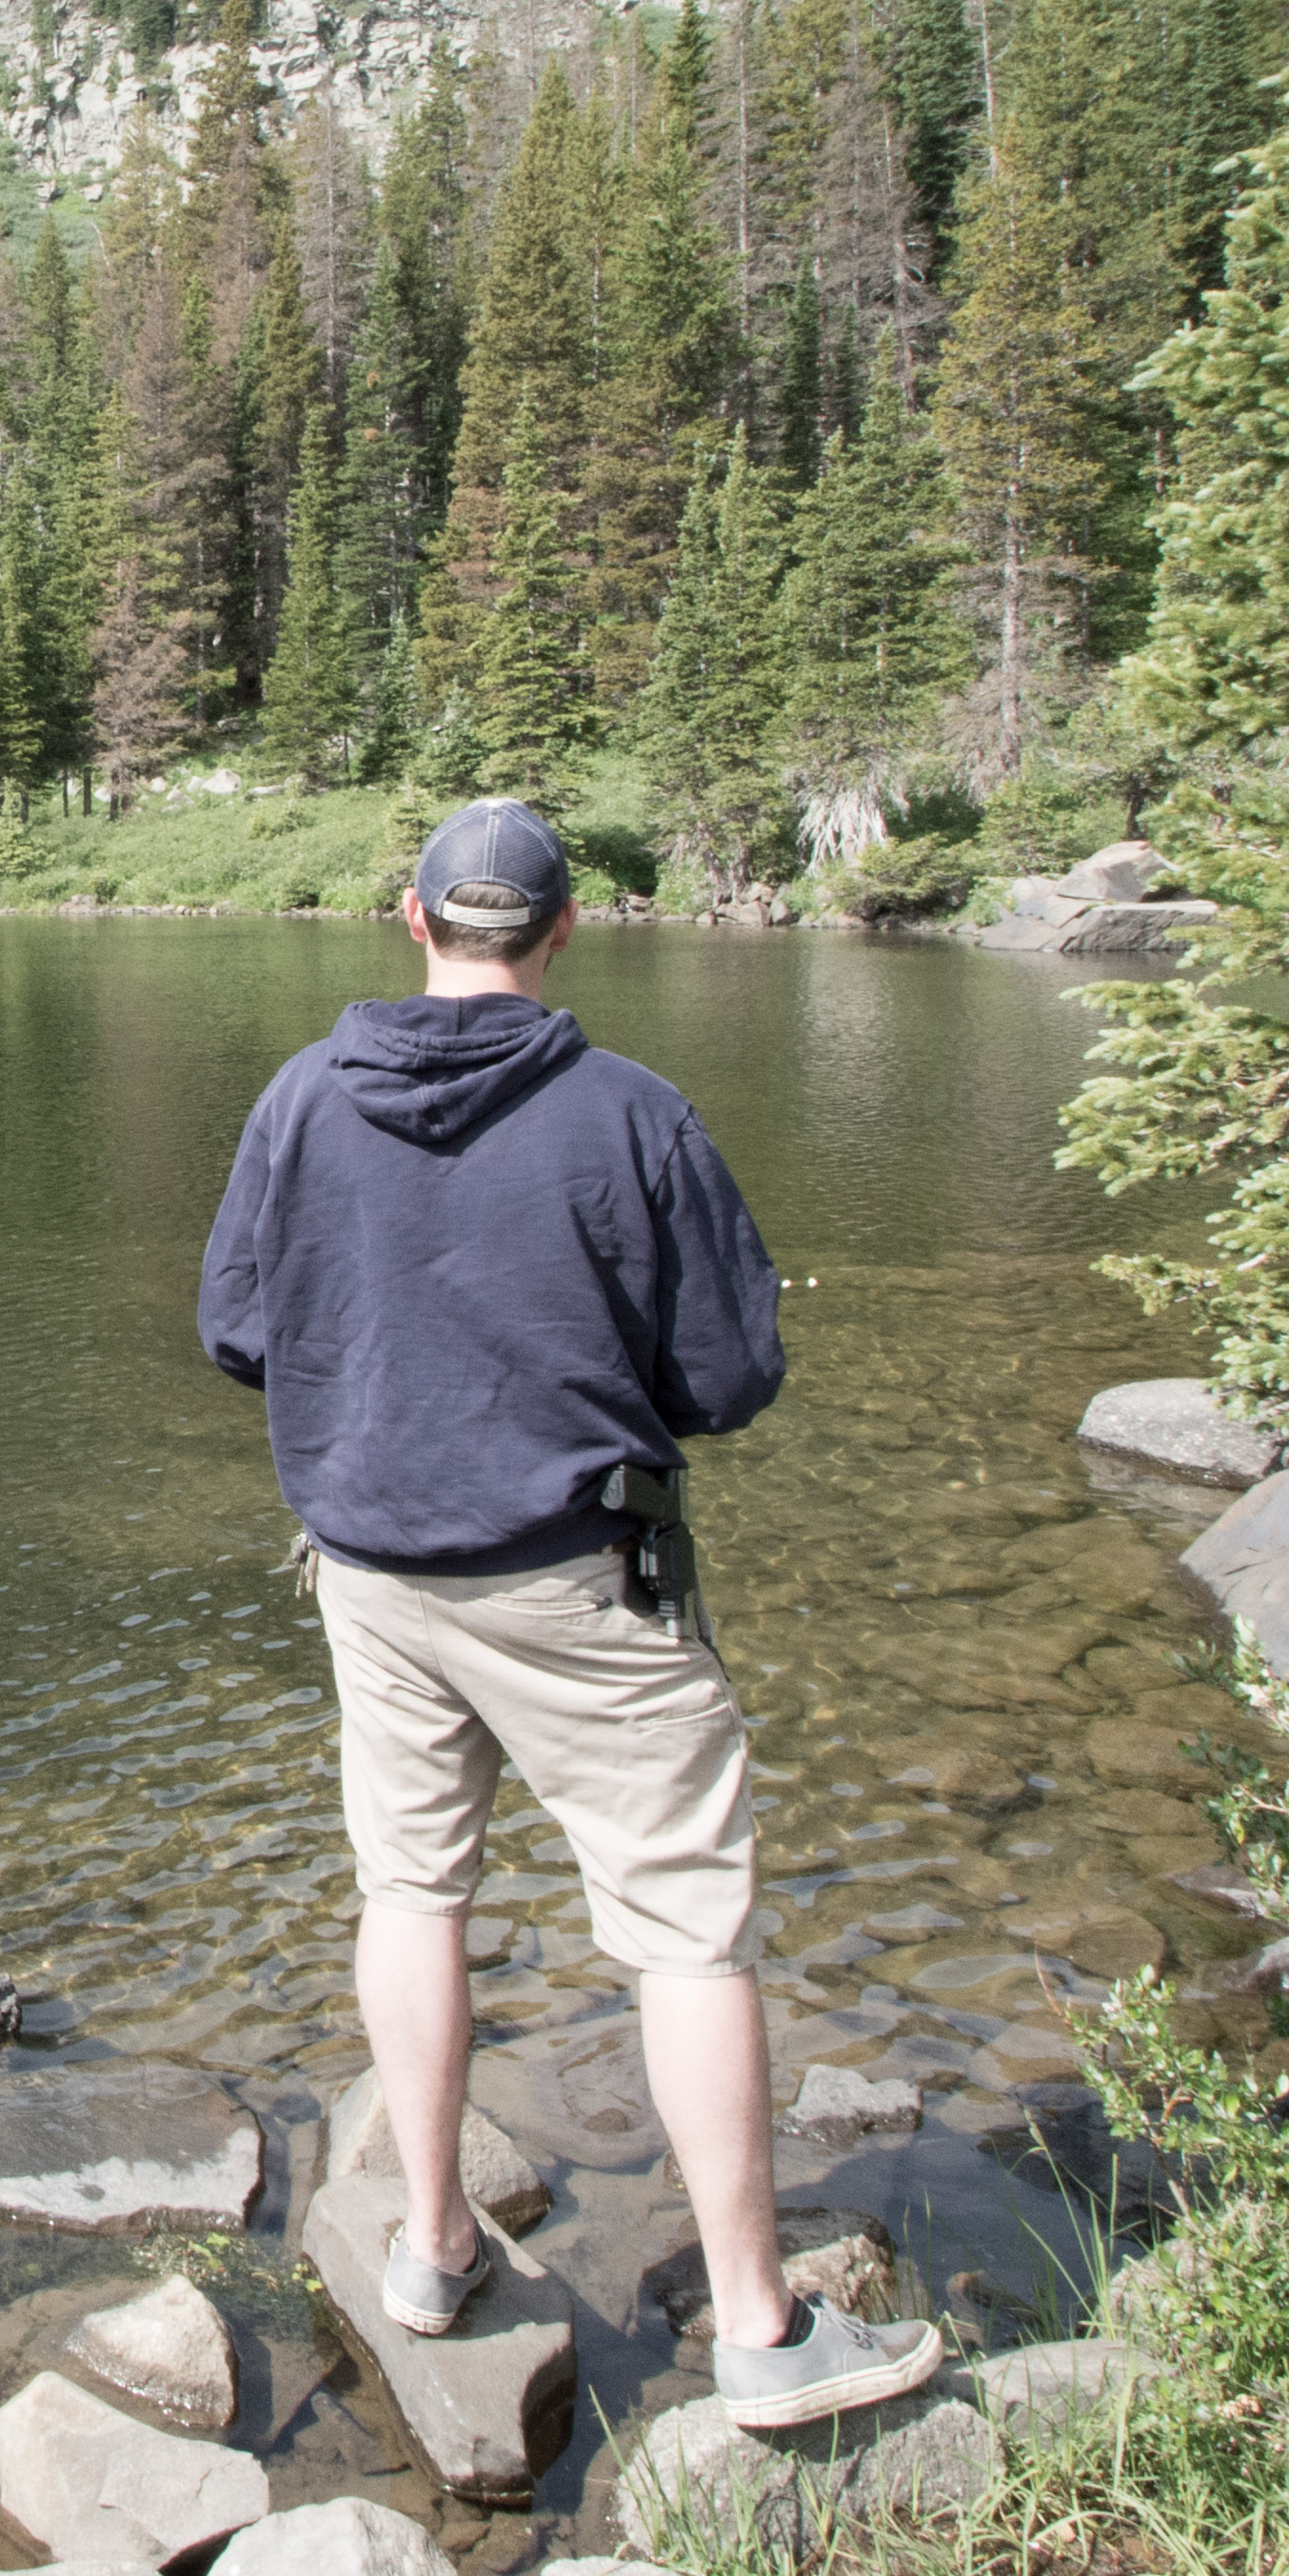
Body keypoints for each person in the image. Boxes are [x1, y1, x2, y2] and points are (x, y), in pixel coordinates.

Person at [195, 796, 942, 2431]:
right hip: (584, 1581)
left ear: (411, 921)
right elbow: (730, 1375)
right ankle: (757, 2328)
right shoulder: (633, 1114)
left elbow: (236, 1329)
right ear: (563, 929)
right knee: (686, 1933)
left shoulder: (306, 1097)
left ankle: (432, 2245)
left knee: (412, 1886)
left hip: (377, 1580)